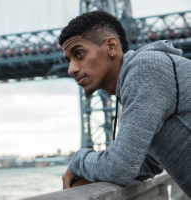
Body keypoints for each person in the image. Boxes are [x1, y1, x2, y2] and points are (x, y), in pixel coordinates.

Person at [59, 10, 191, 197]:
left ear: (111, 46)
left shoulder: (146, 69)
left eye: (79, 54)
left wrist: (78, 161)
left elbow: (120, 168)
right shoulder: (136, 82)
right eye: (68, 60)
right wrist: (93, 172)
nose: (71, 69)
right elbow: (149, 164)